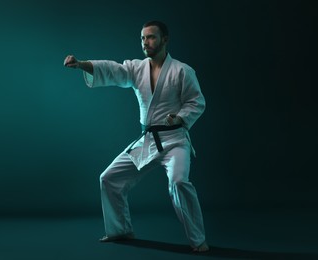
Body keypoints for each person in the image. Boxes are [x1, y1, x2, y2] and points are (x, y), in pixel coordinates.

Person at [63, 20, 209, 252]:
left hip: (174, 141)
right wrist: (82, 64)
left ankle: (198, 240)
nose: (146, 42)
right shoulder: (136, 68)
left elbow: (196, 101)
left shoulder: (182, 70)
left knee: (179, 182)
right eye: (143, 38)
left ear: (165, 39)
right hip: (148, 140)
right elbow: (113, 70)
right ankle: (120, 229)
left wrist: (181, 117)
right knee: (108, 178)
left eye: (151, 37)